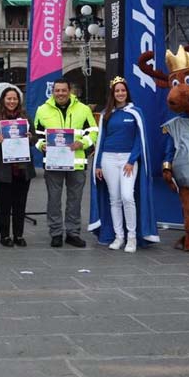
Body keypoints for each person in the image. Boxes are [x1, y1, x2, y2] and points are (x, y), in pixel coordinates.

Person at [90, 77, 158, 252]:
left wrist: (131, 160)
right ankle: (119, 236)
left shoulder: (135, 112)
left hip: (128, 160)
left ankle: (132, 237)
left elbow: (139, 139)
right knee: (115, 199)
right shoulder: (106, 113)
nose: (120, 93)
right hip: (108, 159)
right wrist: (97, 164)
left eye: (123, 90)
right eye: (117, 91)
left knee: (128, 196)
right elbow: (101, 140)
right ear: (113, 94)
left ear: (127, 92)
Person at [34, 78, 98, 248]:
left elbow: (93, 132)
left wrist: (82, 143)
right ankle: (55, 233)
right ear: (52, 91)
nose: (60, 93)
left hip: (76, 163)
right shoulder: (42, 110)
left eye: (63, 90)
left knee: (74, 200)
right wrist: (42, 145)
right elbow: (37, 134)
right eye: (57, 90)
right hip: (53, 163)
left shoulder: (83, 110)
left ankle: (73, 233)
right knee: (53, 200)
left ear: (70, 91)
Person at [0, 87, 36, 247]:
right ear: (3, 100)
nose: (12, 101)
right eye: (9, 98)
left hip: (22, 169)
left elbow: (34, 138)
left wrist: (30, 138)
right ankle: (4, 236)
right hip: (3, 169)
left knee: (20, 204)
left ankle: (18, 235)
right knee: (4, 205)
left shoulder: (26, 117)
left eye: (15, 99)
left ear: (18, 101)